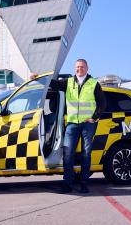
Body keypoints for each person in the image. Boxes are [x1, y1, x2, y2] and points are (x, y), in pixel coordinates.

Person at [32, 59, 106, 193]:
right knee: (67, 154)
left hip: (87, 125)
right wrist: (37, 79)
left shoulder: (94, 84)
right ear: (74, 68)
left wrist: (94, 118)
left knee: (86, 154)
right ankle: (67, 184)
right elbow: (52, 84)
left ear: (87, 68)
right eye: (77, 67)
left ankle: (84, 183)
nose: (80, 69)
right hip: (72, 123)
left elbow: (102, 103)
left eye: (82, 67)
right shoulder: (68, 82)